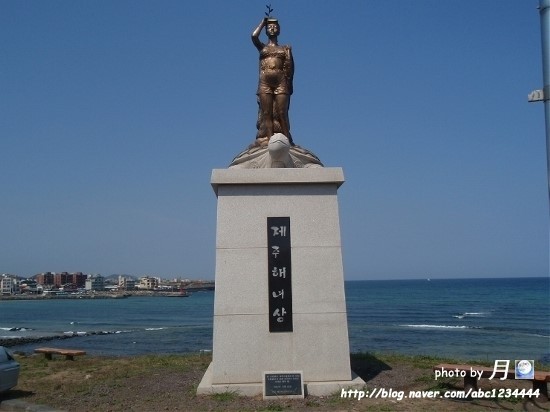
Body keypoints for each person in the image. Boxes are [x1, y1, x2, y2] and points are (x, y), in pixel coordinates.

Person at [252, 17, 294, 145]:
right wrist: (262, 23)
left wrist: (289, 84)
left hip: (280, 81)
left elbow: (291, 68)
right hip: (265, 81)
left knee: (282, 112)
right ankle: (271, 141)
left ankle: (287, 141)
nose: (272, 28)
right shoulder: (263, 47)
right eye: (269, 27)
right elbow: (254, 36)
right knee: (267, 113)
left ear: (279, 30)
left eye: (275, 26)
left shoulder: (284, 49)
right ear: (266, 30)